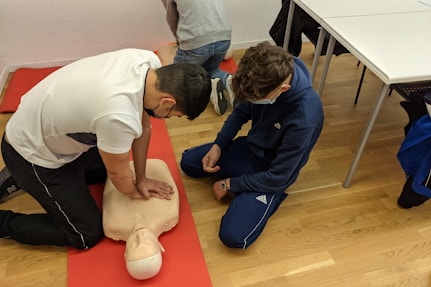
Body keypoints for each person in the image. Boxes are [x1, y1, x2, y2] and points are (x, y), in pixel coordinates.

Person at [0, 48, 211, 249]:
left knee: (111, 163)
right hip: (32, 154)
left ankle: (21, 177)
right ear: (167, 102)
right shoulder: (117, 116)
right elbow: (118, 174)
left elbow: (144, 127)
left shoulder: (149, 64)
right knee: (85, 234)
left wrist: (142, 177)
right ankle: (10, 207)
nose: (171, 119)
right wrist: (133, 191)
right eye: (176, 115)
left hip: (39, 129)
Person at [180, 41, 324, 249]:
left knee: (233, 237)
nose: (251, 101)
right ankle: (241, 184)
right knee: (189, 163)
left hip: (270, 174)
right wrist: (218, 145)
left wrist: (230, 184)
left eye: (256, 99)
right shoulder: (260, 78)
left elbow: (279, 176)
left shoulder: (305, 117)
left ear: (283, 89)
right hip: (248, 149)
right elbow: (239, 113)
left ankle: (266, 199)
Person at [103, 159, 179, 280]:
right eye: (148, 242)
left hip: (115, 168)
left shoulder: (111, 225)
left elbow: (109, 191)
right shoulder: (169, 214)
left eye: (135, 245)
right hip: (125, 166)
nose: (141, 236)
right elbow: (162, 171)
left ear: (125, 254)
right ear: (160, 246)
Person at [160, 0, 234, 115]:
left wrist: (180, 41)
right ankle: (227, 80)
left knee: (176, 80)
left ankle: (208, 87)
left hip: (195, 43)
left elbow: (172, 18)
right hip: (224, 38)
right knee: (211, 69)